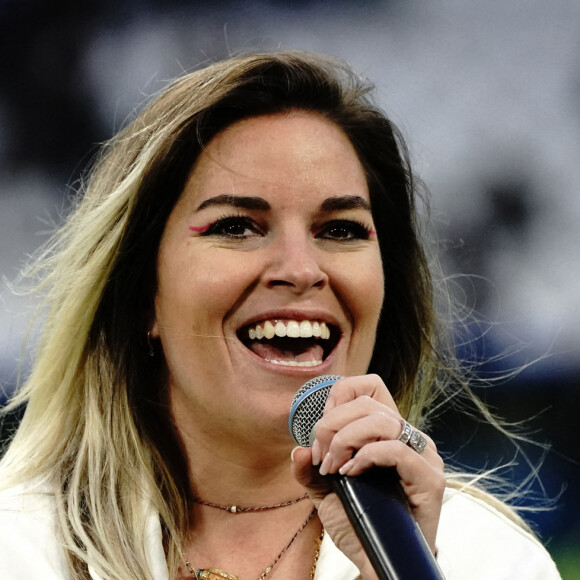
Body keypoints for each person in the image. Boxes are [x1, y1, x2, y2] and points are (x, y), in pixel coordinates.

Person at [0, 50, 561, 580]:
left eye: (340, 230)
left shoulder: (486, 557)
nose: (300, 269)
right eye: (236, 226)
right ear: (142, 294)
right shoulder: (19, 546)